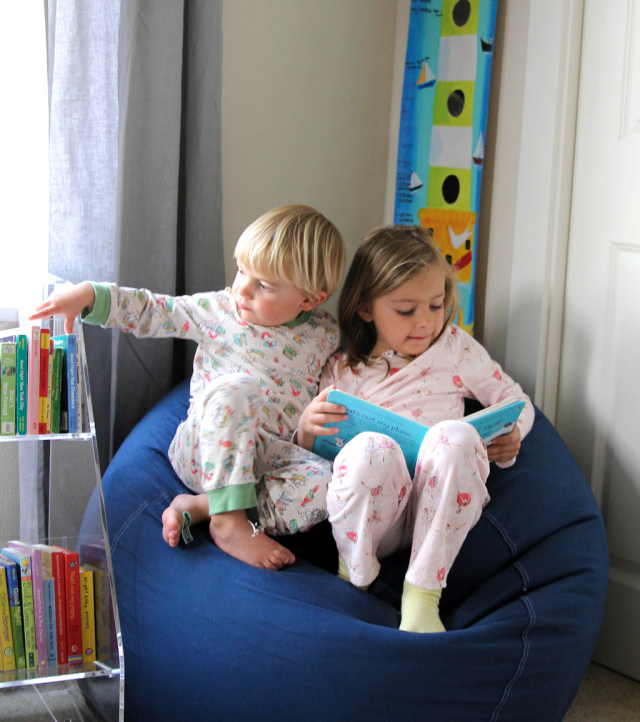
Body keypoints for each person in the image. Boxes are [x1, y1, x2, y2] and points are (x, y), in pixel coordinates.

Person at [31, 205, 346, 571]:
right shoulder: (219, 310)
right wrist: (90, 296)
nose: (242, 289)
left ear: (310, 300)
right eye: (242, 270)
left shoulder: (326, 334)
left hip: (268, 461)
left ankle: (202, 508)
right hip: (205, 447)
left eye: (263, 285)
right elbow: (153, 310)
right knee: (237, 389)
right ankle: (229, 523)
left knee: (331, 480)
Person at [295, 225, 534, 632]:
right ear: (366, 307)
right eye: (406, 310)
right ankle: (354, 576)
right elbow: (317, 454)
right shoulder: (344, 368)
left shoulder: (453, 347)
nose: (426, 323)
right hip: (375, 518)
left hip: (441, 506)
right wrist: (305, 429)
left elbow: (517, 402)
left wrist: (514, 435)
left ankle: (422, 595)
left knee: (455, 436)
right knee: (371, 449)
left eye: (437, 306)